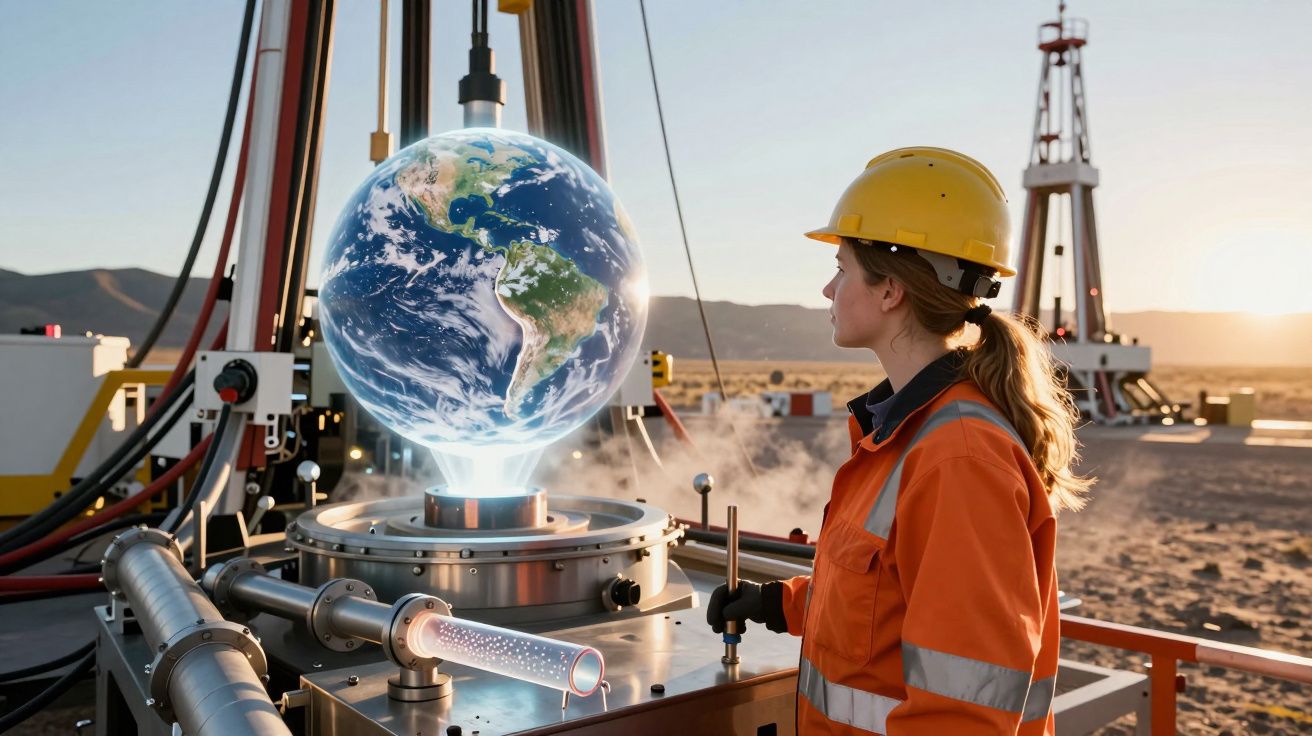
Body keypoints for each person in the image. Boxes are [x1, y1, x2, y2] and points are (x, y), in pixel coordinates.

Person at [706, 147, 1092, 735]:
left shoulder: (959, 460)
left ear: (890, 290)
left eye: (842, 268)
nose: (827, 290)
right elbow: (883, 598)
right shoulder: (906, 432)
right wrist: (782, 605)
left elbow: (963, 714)